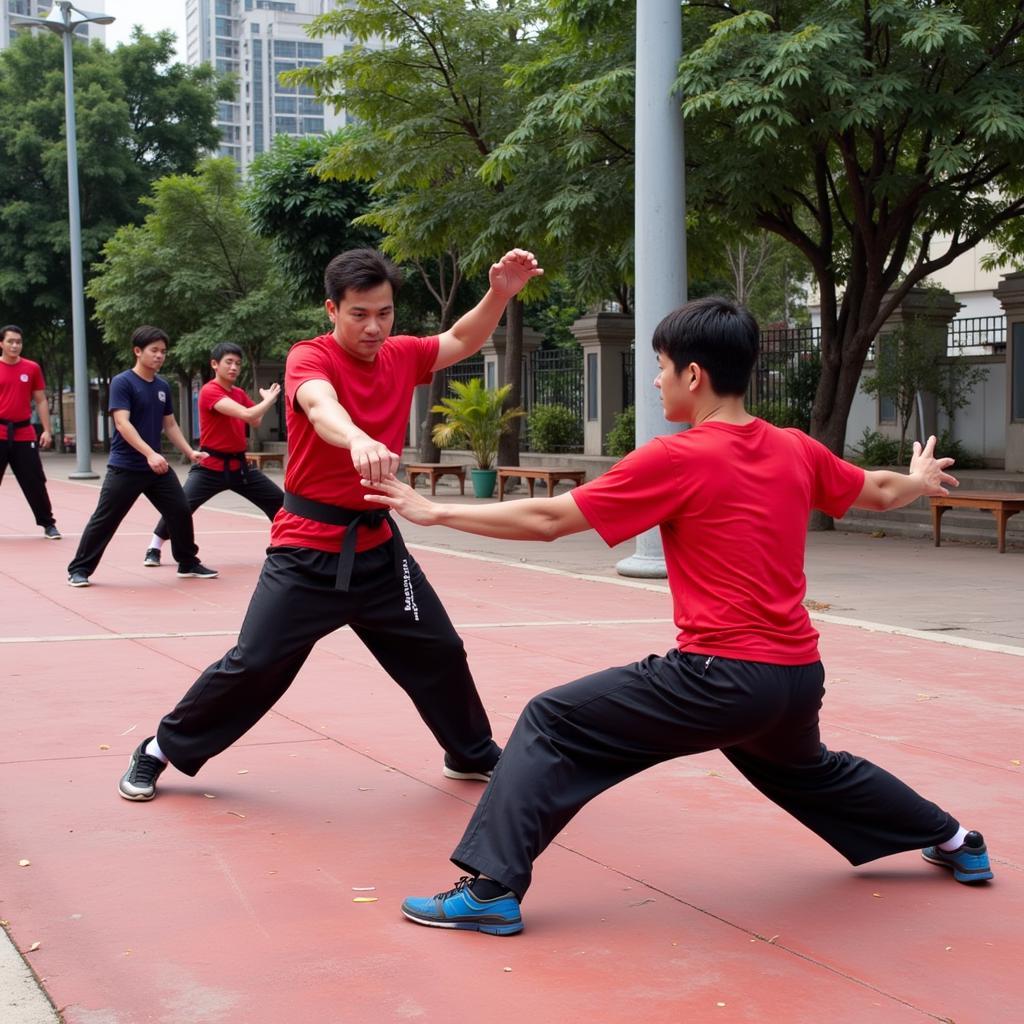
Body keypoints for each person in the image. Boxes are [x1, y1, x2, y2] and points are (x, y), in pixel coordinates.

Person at [363, 297, 993, 938]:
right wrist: (917, 478)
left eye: (661, 367)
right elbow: (879, 491)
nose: (657, 380)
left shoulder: (677, 457)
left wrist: (433, 512)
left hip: (721, 678)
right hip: (796, 676)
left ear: (693, 375)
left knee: (551, 721)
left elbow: (552, 519)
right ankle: (955, 838)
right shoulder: (795, 448)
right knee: (809, 770)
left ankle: (490, 890)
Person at [117, 246, 543, 803]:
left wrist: (499, 294)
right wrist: (359, 437)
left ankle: (469, 752)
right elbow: (320, 407)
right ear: (332, 310)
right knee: (256, 664)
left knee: (440, 650)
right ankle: (157, 750)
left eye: (384, 313)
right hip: (307, 550)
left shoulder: (400, 354)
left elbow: (460, 341)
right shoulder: (309, 358)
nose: (373, 327)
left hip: (379, 550)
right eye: (359, 314)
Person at [66, 326, 218, 587]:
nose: (160, 356)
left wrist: (189, 451)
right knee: (106, 519)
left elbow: (169, 424)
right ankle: (79, 570)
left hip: (155, 468)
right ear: (138, 351)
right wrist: (149, 453)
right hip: (126, 467)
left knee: (180, 510)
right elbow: (122, 423)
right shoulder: (123, 382)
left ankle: (187, 561)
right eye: (154, 350)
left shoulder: (161, 386)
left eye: (163, 351)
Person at [143, 342, 283, 567]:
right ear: (215, 364)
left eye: (238, 363)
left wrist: (264, 402)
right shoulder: (210, 391)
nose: (234, 368)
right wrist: (268, 400)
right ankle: (154, 547)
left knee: (279, 501)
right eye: (229, 362)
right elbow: (248, 414)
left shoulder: (238, 393)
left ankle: (282, 546)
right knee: (180, 506)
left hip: (240, 467)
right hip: (211, 466)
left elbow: (255, 420)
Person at [0, 325, 61, 539]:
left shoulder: (32, 368)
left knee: (35, 480)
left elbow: (41, 399)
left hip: (24, 433)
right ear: (1, 343)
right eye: (10, 341)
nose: (15, 345)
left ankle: (48, 524)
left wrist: (47, 430)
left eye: (18, 341)